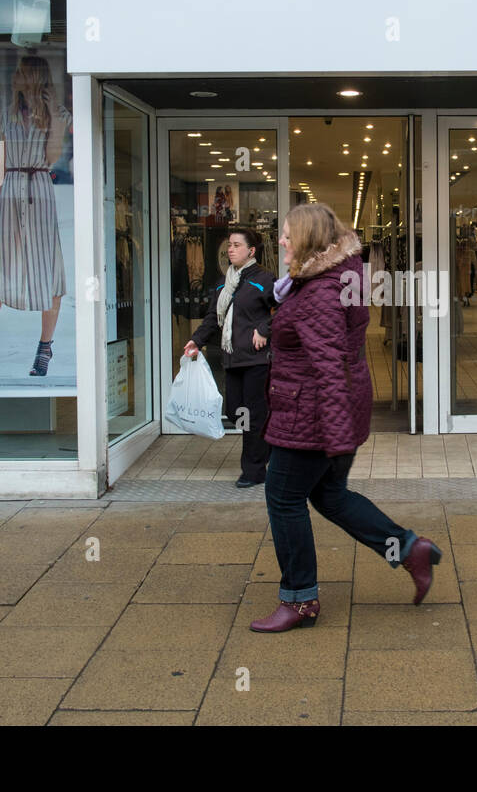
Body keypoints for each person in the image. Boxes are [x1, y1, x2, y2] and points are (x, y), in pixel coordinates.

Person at [250, 203, 440, 632]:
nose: (280, 240)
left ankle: (299, 600)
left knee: (283, 499)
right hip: (322, 413)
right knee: (330, 498)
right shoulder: (324, 279)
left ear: (309, 241)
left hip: (311, 418)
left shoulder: (318, 293)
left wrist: (337, 441)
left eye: (286, 234)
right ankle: (409, 550)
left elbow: (330, 367)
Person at [0, 55, 70, 378]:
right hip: (11, 189)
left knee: (48, 269)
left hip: (38, 186)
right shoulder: (7, 114)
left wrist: (53, 117)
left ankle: (44, 348)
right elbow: (2, 159)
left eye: (21, 71)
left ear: (33, 76)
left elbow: (51, 157)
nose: (15, 76)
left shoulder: (55, 114)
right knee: (1, 270)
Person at [183, 228, 276, 487]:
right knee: (235, 412)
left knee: (251, 415)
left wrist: (265, 329)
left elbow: (285, 309)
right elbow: (213, 317)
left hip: (256, 359)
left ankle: (253, 471)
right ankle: (267, 447)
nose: (230, 249)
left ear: (252, 251)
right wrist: (196, 340)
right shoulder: (224, 283)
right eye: (229, 245)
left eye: (236, 245)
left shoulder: (264, 279)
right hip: (232, 358)